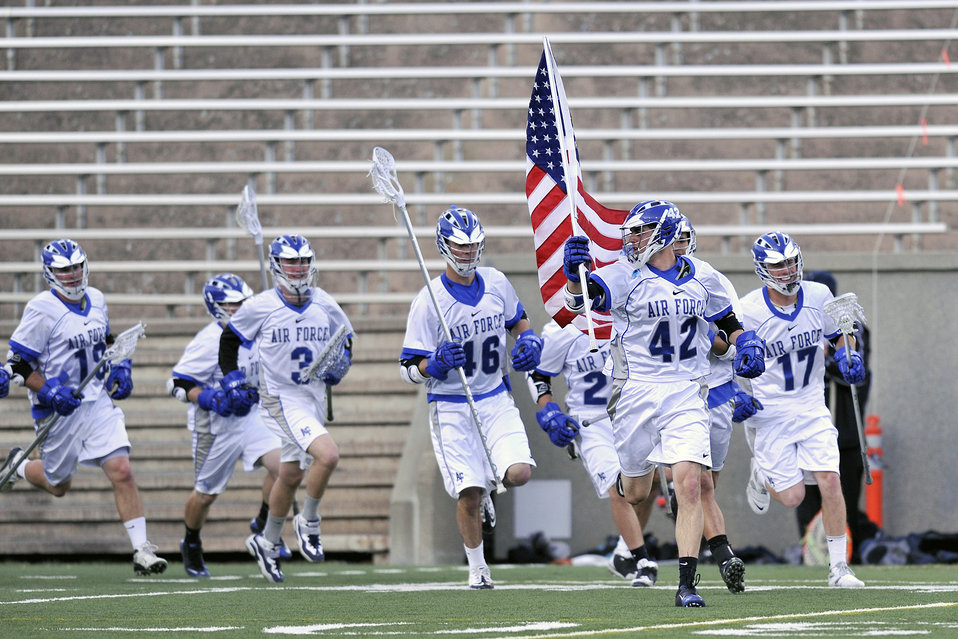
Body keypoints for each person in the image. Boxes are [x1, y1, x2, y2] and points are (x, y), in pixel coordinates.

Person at [562, 200, 765, 607]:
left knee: (689, 483)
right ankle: (626, 481)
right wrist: (573, 279)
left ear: (665, 233)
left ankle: (686, 583)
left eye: (640, 231)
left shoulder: (703, 275)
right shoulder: (625, 276)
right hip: (636, 391)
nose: (631, 239)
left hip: (688, 388)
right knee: (637, 491)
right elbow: (581, 302)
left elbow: (726, 319)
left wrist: (747, 342)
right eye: (631, 232)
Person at [0, 238, 168, 575]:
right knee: (59, 485)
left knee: (122, 470)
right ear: (51, 274)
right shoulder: (41, 308)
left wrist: (120, 364)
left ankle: (141, 551)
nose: (73, 275)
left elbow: (104, 338)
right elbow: (17, 364)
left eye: (77, 267)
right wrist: (49, 391)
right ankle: (19, 465)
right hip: (57, 410)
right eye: (64, 269)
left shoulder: (98, 299)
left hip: (96, 402)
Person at [399, 205, 543, 590]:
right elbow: (408, 368)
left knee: (519, 473)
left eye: (473, 245)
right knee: (468, 493)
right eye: (459, 246)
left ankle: (488, 483)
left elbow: (519, 320)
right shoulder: (429, 300)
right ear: (444, 246)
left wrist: (528, 339)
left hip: (495, 395)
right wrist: (435, 363)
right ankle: (478, 568)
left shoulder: (496, 282)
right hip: (450, 404)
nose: (467, 253)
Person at [219, 234, 354, 583]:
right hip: (281, 397)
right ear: (277, 266)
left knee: (291, 474)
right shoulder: (262, 305)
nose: (299, 268)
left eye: (304, 261)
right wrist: (231, 377)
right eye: (292, 262)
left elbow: (345, 338)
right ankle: (308, 522)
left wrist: (342, 363)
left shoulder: (323, 301)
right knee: (329, 456)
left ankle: (267, 541)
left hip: (311, 398)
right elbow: (230, 338)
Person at [738, 232, 866, 588]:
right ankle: (761, 474)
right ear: (763, 269)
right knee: (794, 498)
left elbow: (841, 334)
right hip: (771, 408)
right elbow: (722, 356)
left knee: (830, 479)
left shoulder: (818, 295)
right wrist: (735, 391)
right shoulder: (748, 310)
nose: (787, 270)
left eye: (791, 262)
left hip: (811, 402)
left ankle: (839, 568)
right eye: (778, 265)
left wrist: (847, 352)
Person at [169, 273, 288, 578]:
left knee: (286, 467)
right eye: (230, 304)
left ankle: (263, 523)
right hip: (215, 427)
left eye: (242, 303)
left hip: (251, 418)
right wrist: (210, 398)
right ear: (216, 306)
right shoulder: (207, 341)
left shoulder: (259, 332)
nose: (238, 308)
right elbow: (178, 384)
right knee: (206, 495)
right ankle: (191, 541)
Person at [527, 319, 659, 588]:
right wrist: (549, 410)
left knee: (650, 484)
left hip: (631, 413)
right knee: (617, 486)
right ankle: (642, 560)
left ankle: (623, 552)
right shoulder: (560, 328)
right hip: (590, 421)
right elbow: (538, 373)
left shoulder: (629, 312)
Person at [670, 216, 748, 594]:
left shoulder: (709, 278)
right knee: (695, 484)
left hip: (715, 388)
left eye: (684, 238)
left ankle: (714, 546)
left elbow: (731, 339)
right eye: (673, 238)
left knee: (706, 485)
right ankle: (722, 552)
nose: (678, 244)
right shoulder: (645, 281)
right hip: (677, 391)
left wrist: (712, 339)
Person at [794, 270, 877, 563]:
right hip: (806, 427)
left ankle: (845, 558)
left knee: (843, 499)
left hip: (846, 432)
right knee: (805, 499)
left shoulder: (850, 327)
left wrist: (834, 357)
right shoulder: (798, 326)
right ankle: (813, 554)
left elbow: (853, 373)